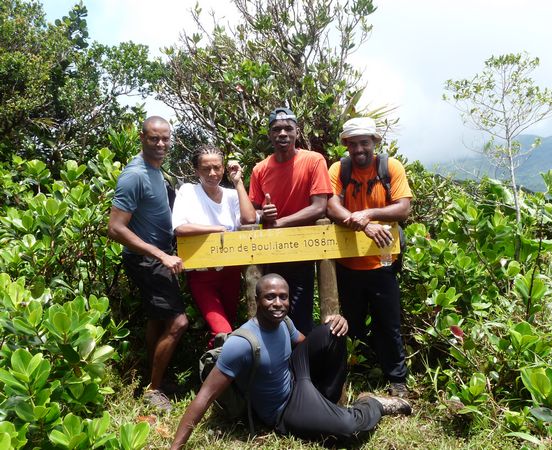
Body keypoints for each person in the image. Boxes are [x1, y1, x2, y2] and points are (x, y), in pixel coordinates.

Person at [170, 274, 410, 449]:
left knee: (332, 331)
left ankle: (326, 401)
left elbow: (309, 344)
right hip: (283, 409)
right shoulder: (242, 343)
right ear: (257, 299)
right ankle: (372, 404)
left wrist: (338, 322)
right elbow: (204, 396)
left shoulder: (284, 322)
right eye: (270, 297)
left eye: (283, 297)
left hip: (297, 377)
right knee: (349, 429)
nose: (278, 303)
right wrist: (175, 448)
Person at [327, 117, 413, 398]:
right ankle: (345, 376)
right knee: (347, 323)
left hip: (383, 262)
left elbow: (402, 209)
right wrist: (364, 223)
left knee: (387, 323)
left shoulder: (390, 168)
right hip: (347, 263)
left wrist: (369, 214)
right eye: (353, 144)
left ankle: (397, 381)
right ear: (346, 146)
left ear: (375, 143)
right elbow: (331, 205)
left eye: (364, 142)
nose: (359, 148)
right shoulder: (339, 169)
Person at [107, 116, 189, 411]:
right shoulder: (135, 175)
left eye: (165, 138)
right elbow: (115, 228)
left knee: (158, 318)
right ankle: (153, 390)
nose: (161, 144)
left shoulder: (157, 171)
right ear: (141, 137)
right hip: (147, 261)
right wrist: (160, 255)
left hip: (158, 257)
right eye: (154, 138)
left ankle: (156, 378)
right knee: (178, 322)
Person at [249, 107, 333, 335]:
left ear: (297, 131)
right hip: (270, 252)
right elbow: (252, 213)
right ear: (269, 135)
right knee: (269, 314)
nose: (283, 134)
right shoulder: (260, 169)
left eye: (288, 128)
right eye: (277, 129)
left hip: (301, 249)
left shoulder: (314, 161)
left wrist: (280, 223)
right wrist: (263, 215)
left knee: (300, 312)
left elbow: (319, 207)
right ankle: (274, 366)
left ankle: (300, 366)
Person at [171, 144, 256, 347]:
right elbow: (180, 227)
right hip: (202, 275)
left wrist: (238, 183)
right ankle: (219, 375)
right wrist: (216, 229)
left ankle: (214, 370)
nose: (212, 173)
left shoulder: (232, 195)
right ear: (196, 171)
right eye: (206, 169)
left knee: (225, 332)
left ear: (223, 168)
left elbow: (249, 219)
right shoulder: (188, 192)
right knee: (223, 331)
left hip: (231, 272)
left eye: (217, 168)